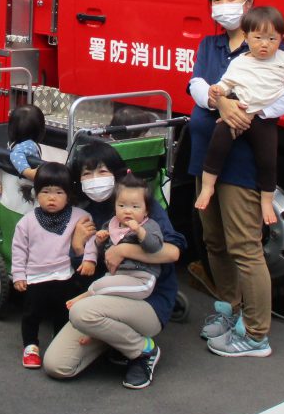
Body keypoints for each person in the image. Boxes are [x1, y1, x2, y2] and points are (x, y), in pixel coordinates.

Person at [186, 0, 284, 358]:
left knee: (245, 247)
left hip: (241, 165)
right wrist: (220, 103)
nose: (224, 5)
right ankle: (228, 309)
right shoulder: (210, 44)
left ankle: (256, 334)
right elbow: (197, 84)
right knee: (214, 242)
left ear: (249, 2)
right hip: (205, 156)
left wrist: (251, 111)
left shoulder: (265, 46)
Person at [42, 140, 184, 390]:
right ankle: (113, 338)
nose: (95, 179)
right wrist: (78, 248)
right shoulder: (83, 213)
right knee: (57, 365)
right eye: (87, 173)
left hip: (147, 301)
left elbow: (173, 252)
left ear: (118, 174)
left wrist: (125, 249)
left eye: (102, 171)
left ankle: (143, 351)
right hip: (106, 302)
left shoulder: (138, 205)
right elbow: (82, 273)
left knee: (82, 312)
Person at [194, 6, 284, 225]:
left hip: (263, 119)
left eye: (272, 38)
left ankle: (267, 200)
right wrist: (218, 90)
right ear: (246, 36)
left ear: (282, 38)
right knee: (217, 144)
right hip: (237, 111)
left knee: (268, 159)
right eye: (258, 38)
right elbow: (226, 82)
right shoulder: (240, 61)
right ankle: (207, 187)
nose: (264, 44)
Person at [10, 162, 92, 369]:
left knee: (63, 312)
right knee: (31, 313)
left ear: (69, 194)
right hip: (36, 277)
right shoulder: (27, 222)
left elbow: (90, 240)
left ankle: (59, 340)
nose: (52, 197)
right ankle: (30, 346)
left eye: (58, 192)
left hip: (66, 275)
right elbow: (19, 249)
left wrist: (90, 259)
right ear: (36, 194)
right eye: (45, 192)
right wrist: (19, 275)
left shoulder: (80, 217)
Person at [70, 171, 165, 303]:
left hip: (141, 278)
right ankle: (90, 295)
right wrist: (99, 241)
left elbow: (155, 247)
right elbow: (105, 252)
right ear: (115, 207)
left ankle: (88, 295)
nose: (127, 210)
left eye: (135, 206)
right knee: (102, 283)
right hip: (117, 275)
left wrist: (139, 231)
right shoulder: (110, 224)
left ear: (146, 210)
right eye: (121, 205)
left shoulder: (148, 225)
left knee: (99, 286)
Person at [7, 103, 46, 181]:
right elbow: (16, 154)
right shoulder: (29, 144)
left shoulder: (14, 143)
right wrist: (28, 172)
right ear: (41, 130)